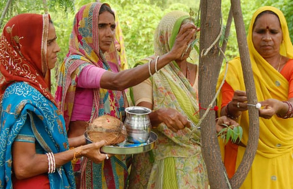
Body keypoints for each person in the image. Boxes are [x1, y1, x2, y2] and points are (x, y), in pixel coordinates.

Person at [55, 3, 196, 189]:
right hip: (83, 162)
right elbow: (117, 81)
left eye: (112, 26)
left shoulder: (108, 66)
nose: (109, 33)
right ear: (85, 29)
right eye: (101, 26)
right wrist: (168, 57)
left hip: (111, 159)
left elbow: (121, 118)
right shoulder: (76, 66)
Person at [0, 13, 108, 189]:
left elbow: (44, 143)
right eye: (48, 43)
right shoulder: (23, 98)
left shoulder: (32, 90)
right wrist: (80, 152)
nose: (57, 48)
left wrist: (86, 139)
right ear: (26, 48)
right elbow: (24, 167)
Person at [128, 11, 238, 189]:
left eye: (192, 38)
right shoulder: (148, 70)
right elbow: (140, 119)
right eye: (182, 38)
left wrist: (219, 124)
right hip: (164, 163)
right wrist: (160, 115)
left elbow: (202, 120)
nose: (187, 44)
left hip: (198, 165)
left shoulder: (204, 73)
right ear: (166, 37)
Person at [216, 6, 293, 189]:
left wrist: (280, 107)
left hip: (284, 158)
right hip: (246, 159)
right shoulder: (235, 69)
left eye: (273, 32)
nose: (267, 38)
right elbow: (224, 113)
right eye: (260, 31)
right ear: (250, 35)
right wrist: (234, 107)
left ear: (283, 35)